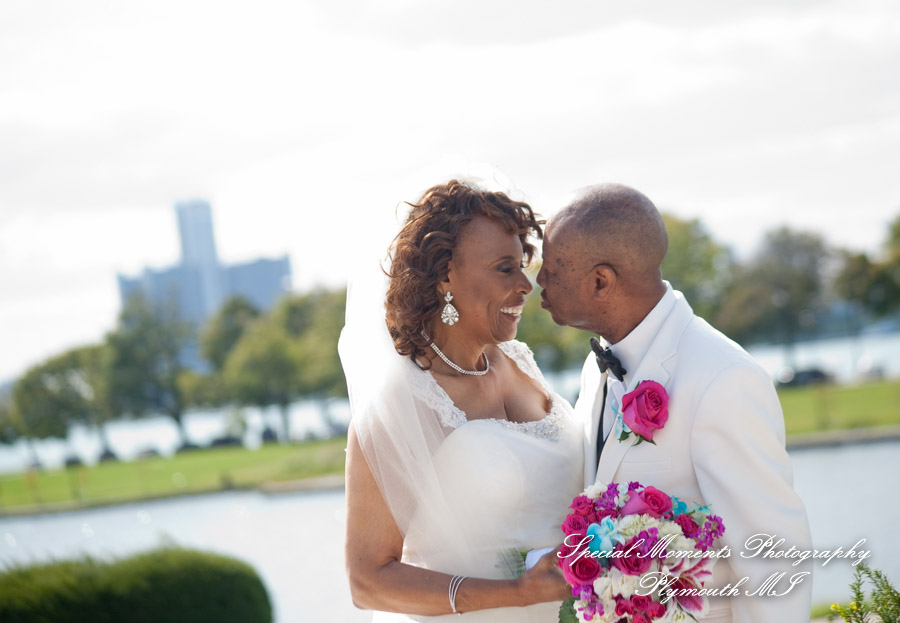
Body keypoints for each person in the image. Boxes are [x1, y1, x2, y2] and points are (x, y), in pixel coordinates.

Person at [537, 183, 814, 623]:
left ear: (601, 281)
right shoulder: (596, 367)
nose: (538, 281)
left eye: (552, 269)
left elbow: (774, 560)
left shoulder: (723, 377)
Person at [340, 180, 583, 622]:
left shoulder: (521, 362)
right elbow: (367, 580)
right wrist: (516, 594)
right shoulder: (401, 405)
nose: (526, 285)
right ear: (445, 275)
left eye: (522, 266)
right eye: (505, 269)